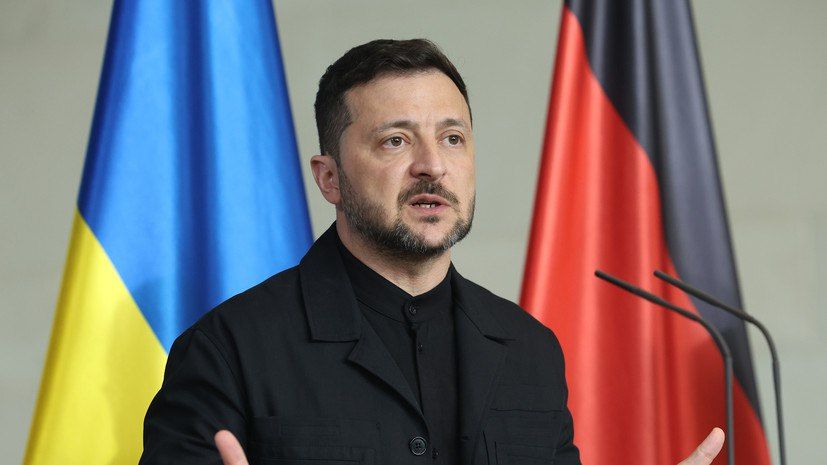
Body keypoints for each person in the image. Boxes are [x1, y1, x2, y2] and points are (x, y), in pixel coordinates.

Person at [138, 39, 724, 465]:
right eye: (396, 140)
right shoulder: (228, 349)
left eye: (452, 138)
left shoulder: (530, 350)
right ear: (329, 178)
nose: (433, 165)